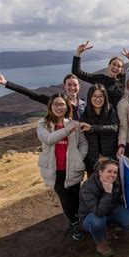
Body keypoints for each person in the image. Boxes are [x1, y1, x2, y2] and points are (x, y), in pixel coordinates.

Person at [37, 94, 88, 240]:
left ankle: (81, 221)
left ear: (67, 107)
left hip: (72, 168)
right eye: (56, 104)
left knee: (76, 197)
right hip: (55, 170)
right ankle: (73, 223)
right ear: (50, 106)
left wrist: (79, 158)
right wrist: (67, 130)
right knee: (65, 199)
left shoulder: (73, 123)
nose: (59, 107)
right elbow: (48, 139)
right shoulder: (43, 124)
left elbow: (83, 143)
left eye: (62, 105)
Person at [79, 157, 129, 257]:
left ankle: (109, 227)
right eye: (109, 171)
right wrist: (107, 192)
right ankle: (100, 243)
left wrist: (123, 213)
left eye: (115, 172)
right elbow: (98, 212)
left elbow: (119, 200)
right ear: (100, 172)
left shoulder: (115, 182)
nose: (113, 175)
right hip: (90, 215)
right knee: (98, 221)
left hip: (109, 208)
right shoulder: (88, 187)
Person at [72, 41, 129, 108]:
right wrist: (78, 53)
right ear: (109, 66)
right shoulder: (100, 78)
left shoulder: (122, 79)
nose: (115, 67)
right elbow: (77, 72)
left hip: (120, 114)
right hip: (104, 115)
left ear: (121, 70)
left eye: (119, 66)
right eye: (113, 64)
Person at [0, 73, 85, 120]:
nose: (72, 87)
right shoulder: (56, 102)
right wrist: (6, 83)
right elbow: (32, 94)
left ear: (79, 86)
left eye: (75, 85)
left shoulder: (85, 103)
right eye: (69, 85)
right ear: (64, 86)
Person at [79, 84, 119, 176]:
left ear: (105, 97)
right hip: (92, 161)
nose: (98, 99)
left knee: (111, 185)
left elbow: (114, 128)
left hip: (109, 159)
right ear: (90, 98)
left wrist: (92, 128)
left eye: (101, 96)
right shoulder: (85, 115)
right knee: (94, 187)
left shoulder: (111, 112)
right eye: (95, 96)